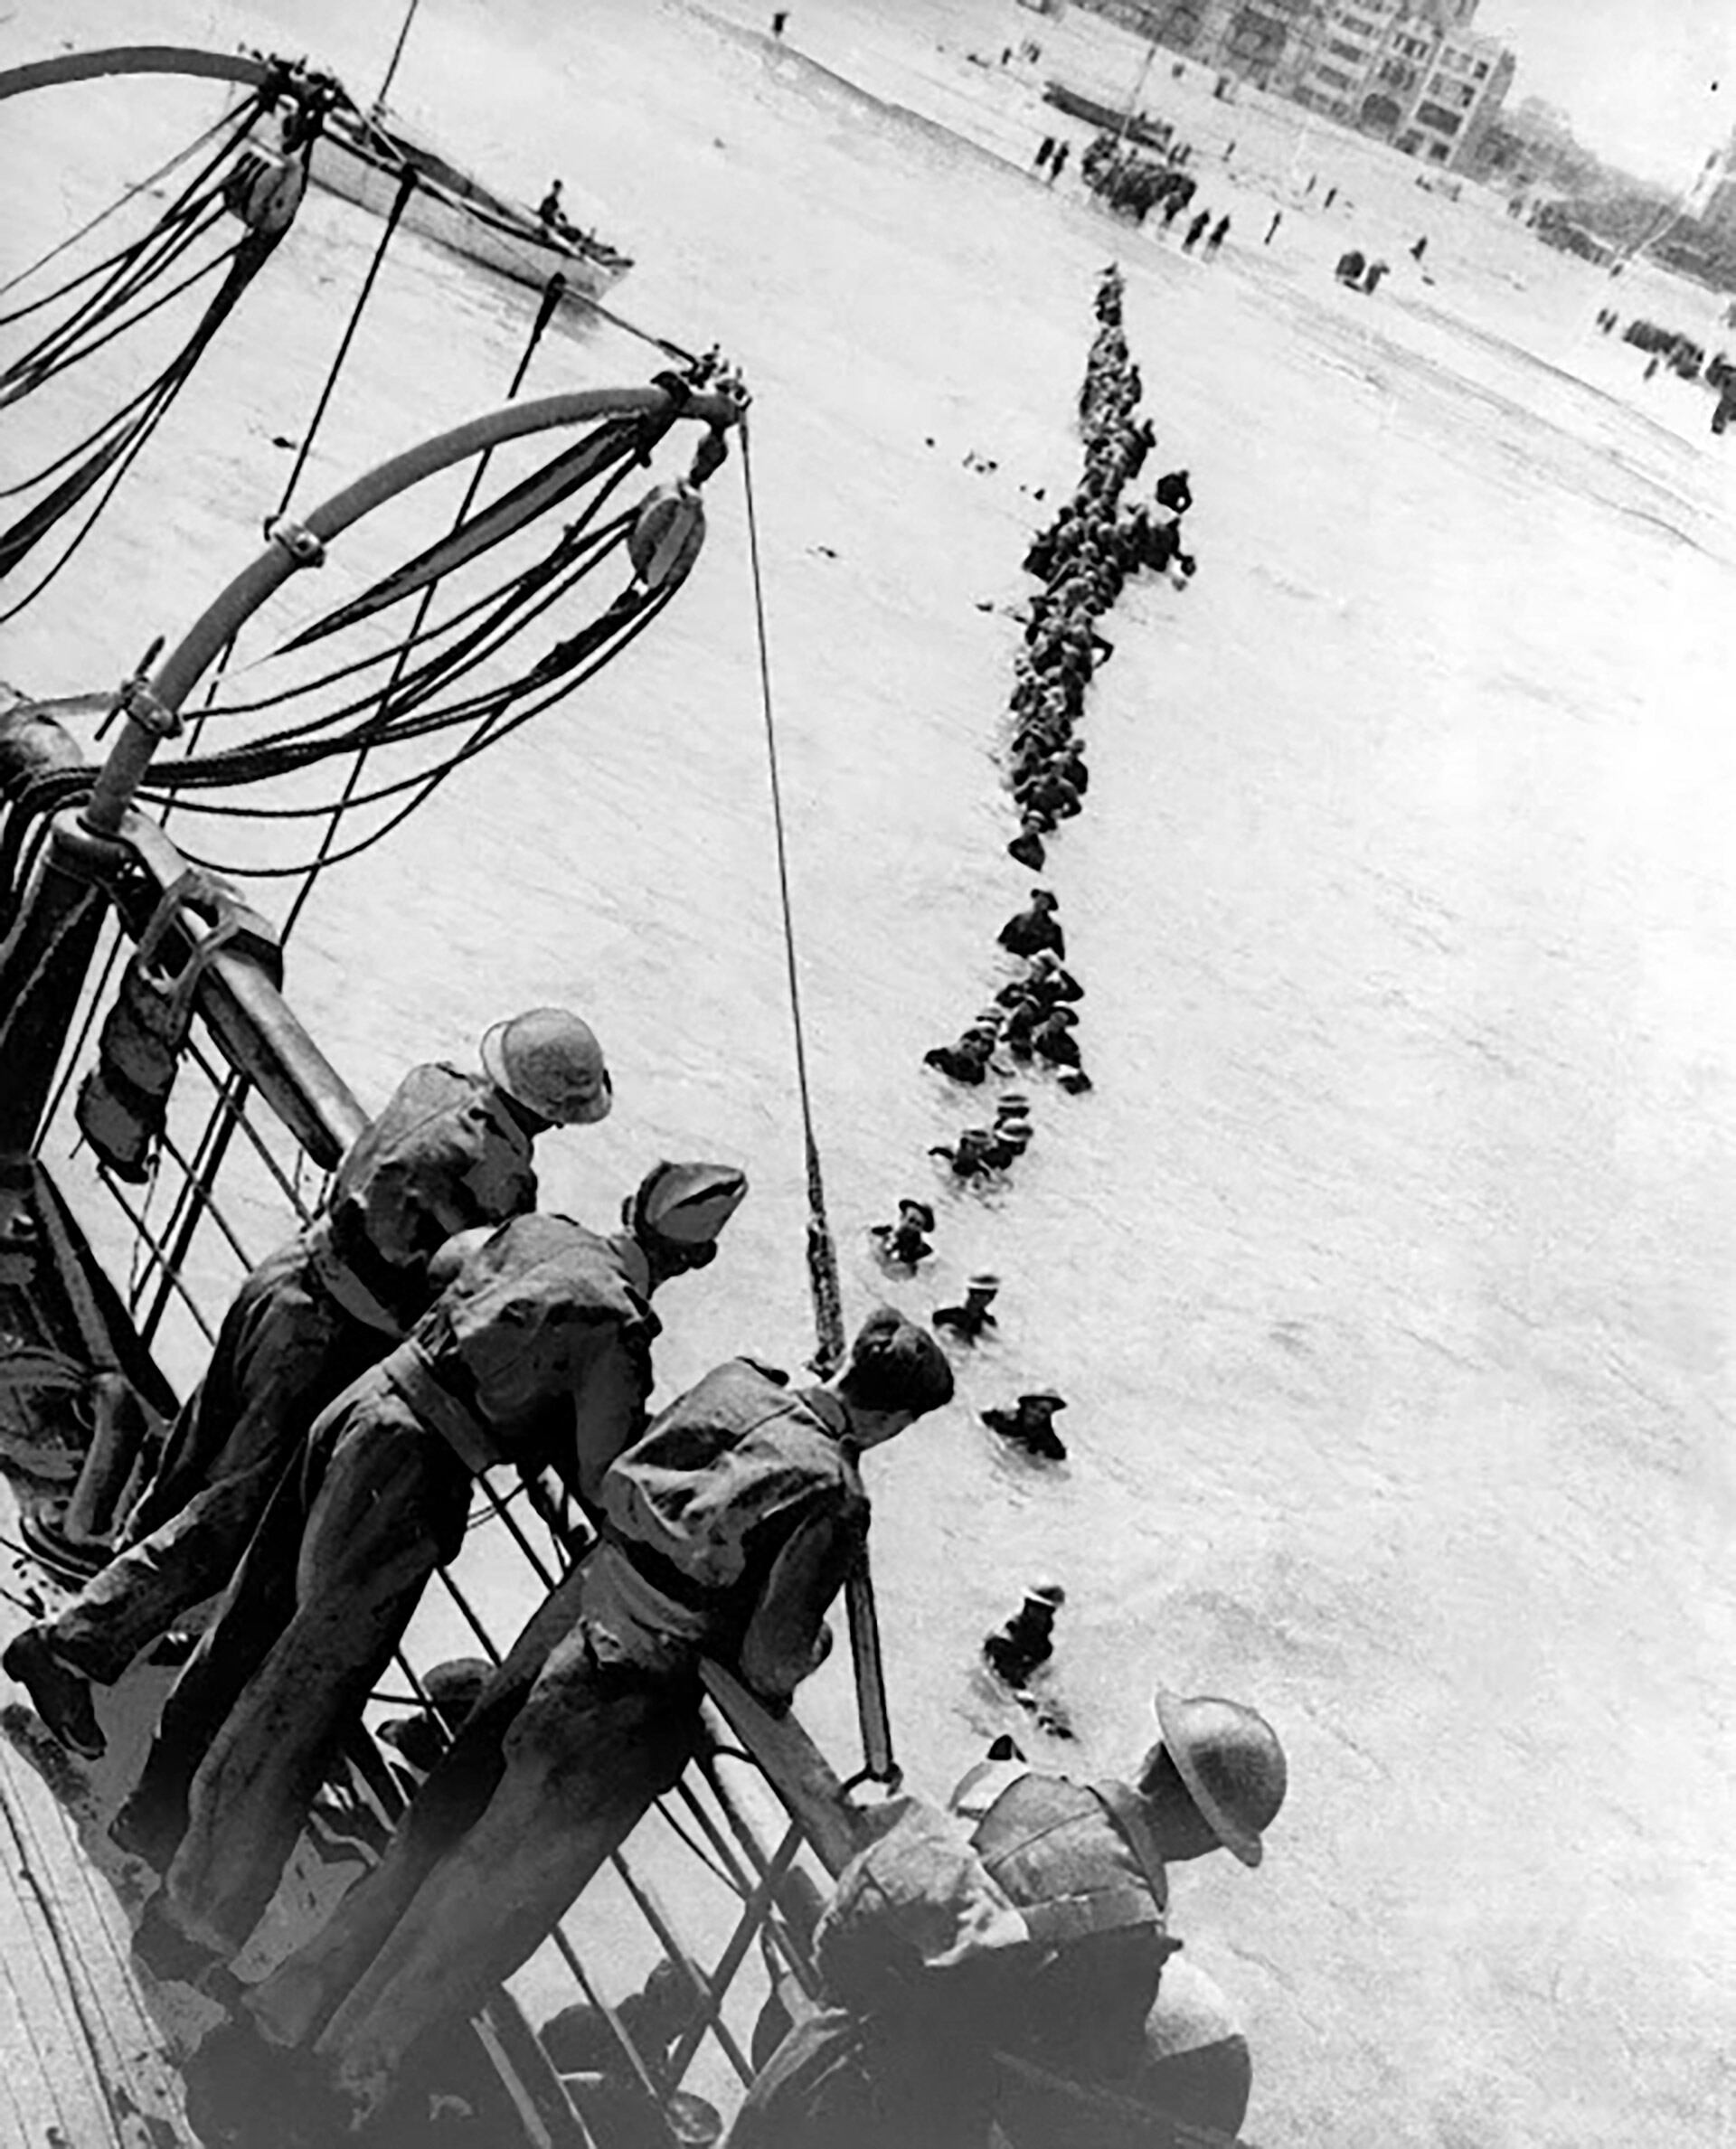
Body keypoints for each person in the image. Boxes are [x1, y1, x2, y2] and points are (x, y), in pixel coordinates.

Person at [206, 1309, 957, 2135]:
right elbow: (771, 1659)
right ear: (894, 1420)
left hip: (566, 1620)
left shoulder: (737, 1380)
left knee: (429, 1834)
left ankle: (273, 2021)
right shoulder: (835, 1495)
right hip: (620, 1698)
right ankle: (336, 2093)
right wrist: (812, 1637)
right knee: (477, 1911)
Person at [124, 1163, 747, 1971]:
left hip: (365, 1400)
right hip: (414, 1468)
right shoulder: (622, 1329)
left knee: (251, 1618)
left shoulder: (542, 1228)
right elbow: (602, 1476)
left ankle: (151, 1805)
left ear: (629, 1203)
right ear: (694, 1262)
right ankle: (192, 1921)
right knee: (305, 1693)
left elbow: (450, 1266)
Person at [2, 1010, 610, 1762]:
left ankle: (129, 1617)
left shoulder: (433, 1083)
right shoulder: (502, 1178)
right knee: (236, 1517)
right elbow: (459, 1288)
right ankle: (67, 1650)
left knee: (192, 1459)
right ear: (558, 1113)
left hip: (287, 1278)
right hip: (331, 1342)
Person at [729, 1689, 1286, 2148]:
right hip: (894, 2113)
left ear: (1151, 1758)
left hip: (812, 2044)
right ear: (1204, 1839)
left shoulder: (1013, 1781)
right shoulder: (1128, 1932)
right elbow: (1081, 2077)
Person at [983, 1580, 1062, 1685]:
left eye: (1050, 1612)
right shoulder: (1004, 1637)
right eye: (1041, 1610)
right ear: (1029, 1606)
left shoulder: (1042, 1640)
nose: (1046, 1617)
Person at [980, 1390, 1067, 1462]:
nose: (1035, 1413)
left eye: (1043, 1412)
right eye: (1033, 1406)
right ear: (1025, 1405)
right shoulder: (1001, 1419)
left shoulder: (1049, 1442)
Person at [932, 1272, 1000, 1343]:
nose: (990, 1300)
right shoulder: (945, 1315)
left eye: (992, 1295)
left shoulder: (988, 1321)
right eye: (990, 1295)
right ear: (976, 1294)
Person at [997, 890, 1063, 962]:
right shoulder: (1019, 919)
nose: (1039, 903)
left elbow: (1058, 957)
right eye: (1038, 899)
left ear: (1048, 906)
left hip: (1032, 965)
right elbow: (1001, 940)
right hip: (1008, 959)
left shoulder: (1053, 929)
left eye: (1043, 902)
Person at [870, 1199, 936, 1269]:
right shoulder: (883, 1231)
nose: (912, 1226)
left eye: (918, 1224)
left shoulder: (923, 1251)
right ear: (902, 1217)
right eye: (911, 1220)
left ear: (922, 1229)